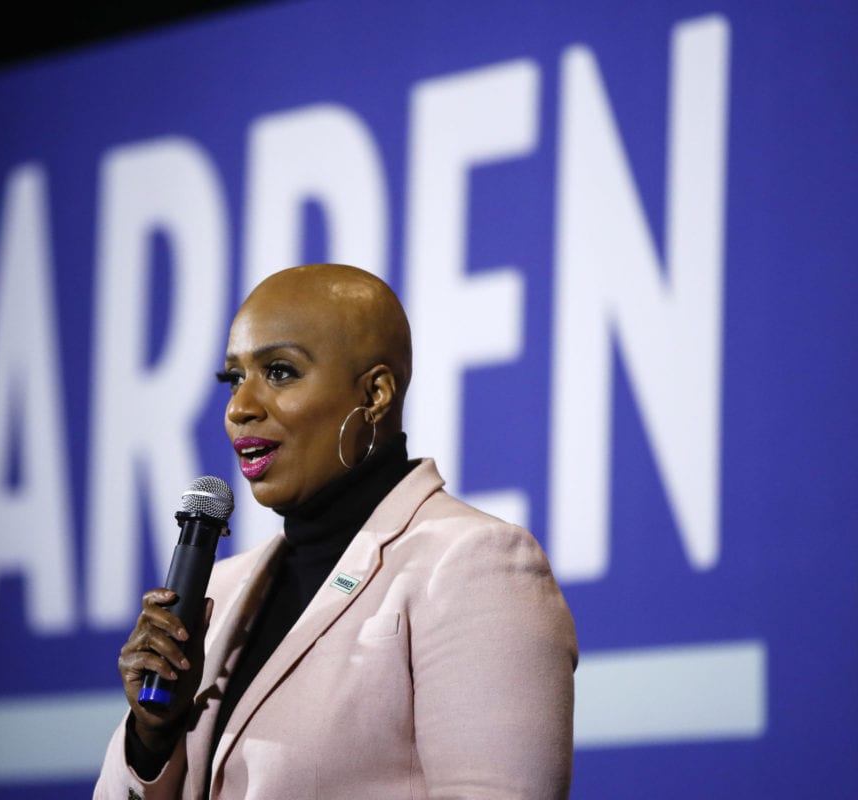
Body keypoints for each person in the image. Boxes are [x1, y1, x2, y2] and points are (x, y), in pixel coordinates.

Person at [94, 264, 577, 799]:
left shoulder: (472, 563)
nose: (239, 408)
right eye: (234, 378)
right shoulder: (221, 594)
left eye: (279, 372)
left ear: (375, 394)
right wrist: (152, 737)